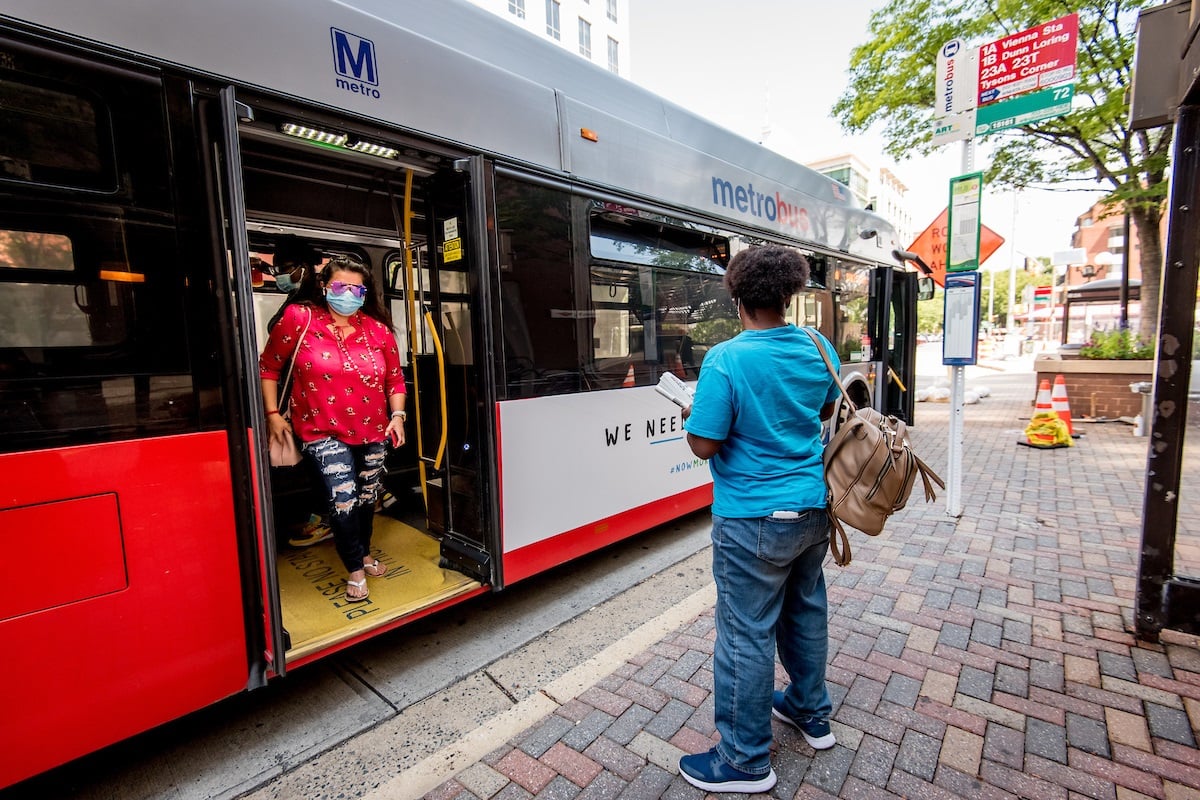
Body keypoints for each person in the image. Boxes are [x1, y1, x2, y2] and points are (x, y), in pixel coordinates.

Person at [677, 245, 840, 794]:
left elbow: (704, 444)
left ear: (738, 297)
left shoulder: (726, 359)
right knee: (805, 608)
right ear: (788, 295)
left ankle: (745, 761)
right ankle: (810, 711)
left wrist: (690, 416)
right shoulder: (820, 347)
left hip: (752, 517)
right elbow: (813, 414)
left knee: (746, 635)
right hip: (814, 509)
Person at [259, 255, 407, 602]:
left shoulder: (378, 329)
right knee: (344, 499)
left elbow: (395, 381)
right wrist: (272, 414)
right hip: (320, 430)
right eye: (341, 286)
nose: (349, 294)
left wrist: (397, 416)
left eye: (357, 289)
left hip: (374, 430)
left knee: (368, 499)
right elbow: (269, 368)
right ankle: (355, 568)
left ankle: (365, 552)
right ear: (325, 286)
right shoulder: (300, 318)